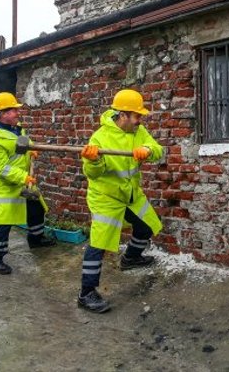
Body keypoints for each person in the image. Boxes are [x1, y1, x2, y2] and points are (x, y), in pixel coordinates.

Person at [77, 89, 164, 313]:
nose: (140, 120)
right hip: (106, 198)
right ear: (122, 115)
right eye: (137, 116)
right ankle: (86, 293)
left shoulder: (139, 131)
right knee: (100, 243)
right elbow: (94, 174)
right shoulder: (99, 138)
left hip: (131, 195)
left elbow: (157, 150)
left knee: (145, 226)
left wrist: (146, 150)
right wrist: (93, 161)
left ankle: (131, 258)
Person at [0, 92, 55, 274]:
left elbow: (22, 141)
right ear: (2, 113)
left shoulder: (15, 128)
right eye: (13, 110)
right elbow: (1, 168)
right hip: (2, 183)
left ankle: (36, 239)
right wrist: (23, 178)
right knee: (4, 219)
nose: (17, 112)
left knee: (35, 206)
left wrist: (31, 150)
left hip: (20, 178)